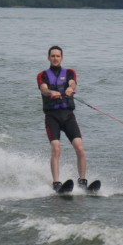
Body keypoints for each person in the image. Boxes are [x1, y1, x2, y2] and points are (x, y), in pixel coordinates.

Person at [37, 45, 88, 191]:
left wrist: (70, 88)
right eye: (52, 56)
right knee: (56, 148)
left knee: (79, 147)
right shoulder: (42, 75)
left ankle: (83, 181)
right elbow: (43, 89)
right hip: (52, 117)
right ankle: (56, 183)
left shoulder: (70, 72)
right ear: (48, 58)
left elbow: (72, 83)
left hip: (68, 116)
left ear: (62, 58)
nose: (55, 58)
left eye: (57, 56)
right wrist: (50, 92)